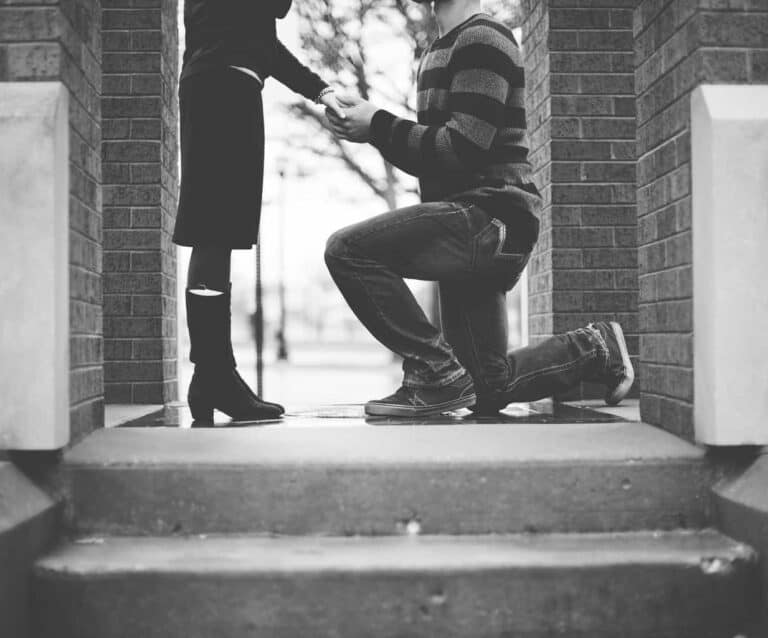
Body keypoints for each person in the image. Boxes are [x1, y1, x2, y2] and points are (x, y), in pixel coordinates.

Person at [324, 0, 634, 417]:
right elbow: (435, 154)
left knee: (349, 250)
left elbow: (464, 147)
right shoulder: (440, 48)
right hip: (473, 220)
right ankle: (595, 346)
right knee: (484, 386)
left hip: (492, 217)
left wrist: (377, 124)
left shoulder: (482, 38)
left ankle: (433, 372)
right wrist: (370, 130)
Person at [173, 0, 346, 424]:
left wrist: (321, 90)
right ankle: (214, 375)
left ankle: (212, 375)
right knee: (214, 233)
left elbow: (260, 42)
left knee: (216, 234)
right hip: (224, 90)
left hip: (220, 86)